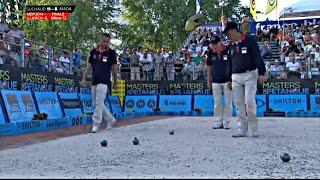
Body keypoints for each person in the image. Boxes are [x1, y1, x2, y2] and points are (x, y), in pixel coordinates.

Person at [223, 22, 267, 138]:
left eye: (228, 34)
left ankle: (254, 128)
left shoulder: (250, 40)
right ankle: (241, 128)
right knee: (238, 104)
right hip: (235, 77)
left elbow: (257, 56)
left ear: (234, 30)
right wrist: (229, 79)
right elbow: (229, 63)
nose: (227, 37)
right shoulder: (231, 45)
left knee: (250, 102)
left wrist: (262, 72)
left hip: (250, 75)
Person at [80, 33, 117, 133]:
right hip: (94, 80)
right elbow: (88, 66)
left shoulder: (111, 53)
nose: (105, 43)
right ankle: (110, 119)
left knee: (99, 102)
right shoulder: (93, 52)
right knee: (96, 102)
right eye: (104, 41)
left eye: (107, 42)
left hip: (105, 81)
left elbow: (114, 69)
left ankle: (96, 124)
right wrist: (84, 78)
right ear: (100, 40)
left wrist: (115, 81)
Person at [206, 36, 232, 129]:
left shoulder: (228, 50)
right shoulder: (210, 53)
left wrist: (232, 79)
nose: (213, 46)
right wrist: (208, 81)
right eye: (212, 44)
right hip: (215, 81)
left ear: (219, 43)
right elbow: (209, 67)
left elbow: (232, 64)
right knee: (217, 103)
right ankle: (217, 121)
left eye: (214, 44)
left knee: (228, 102)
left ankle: (226, 122)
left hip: (227, 80)